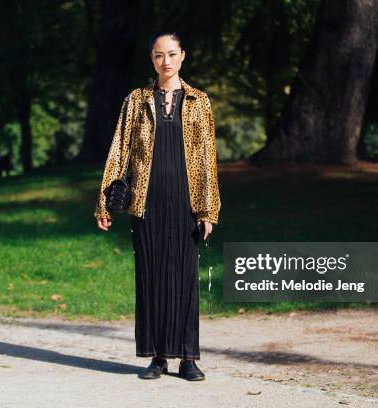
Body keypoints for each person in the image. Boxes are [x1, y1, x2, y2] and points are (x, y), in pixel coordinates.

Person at [94, 31, 221, 381]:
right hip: (145, 201)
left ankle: (188, 358)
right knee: (151, 277)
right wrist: (104, 202)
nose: (165, 62)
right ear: (152, 59)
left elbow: (208, 159)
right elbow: (119, 150)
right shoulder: (136, 100)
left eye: (171, 54)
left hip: (185, 200)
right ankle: (158, 357)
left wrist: (207, 210)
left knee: (185, 279)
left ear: (183, 56)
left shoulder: (199, 102)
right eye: (157, 55)